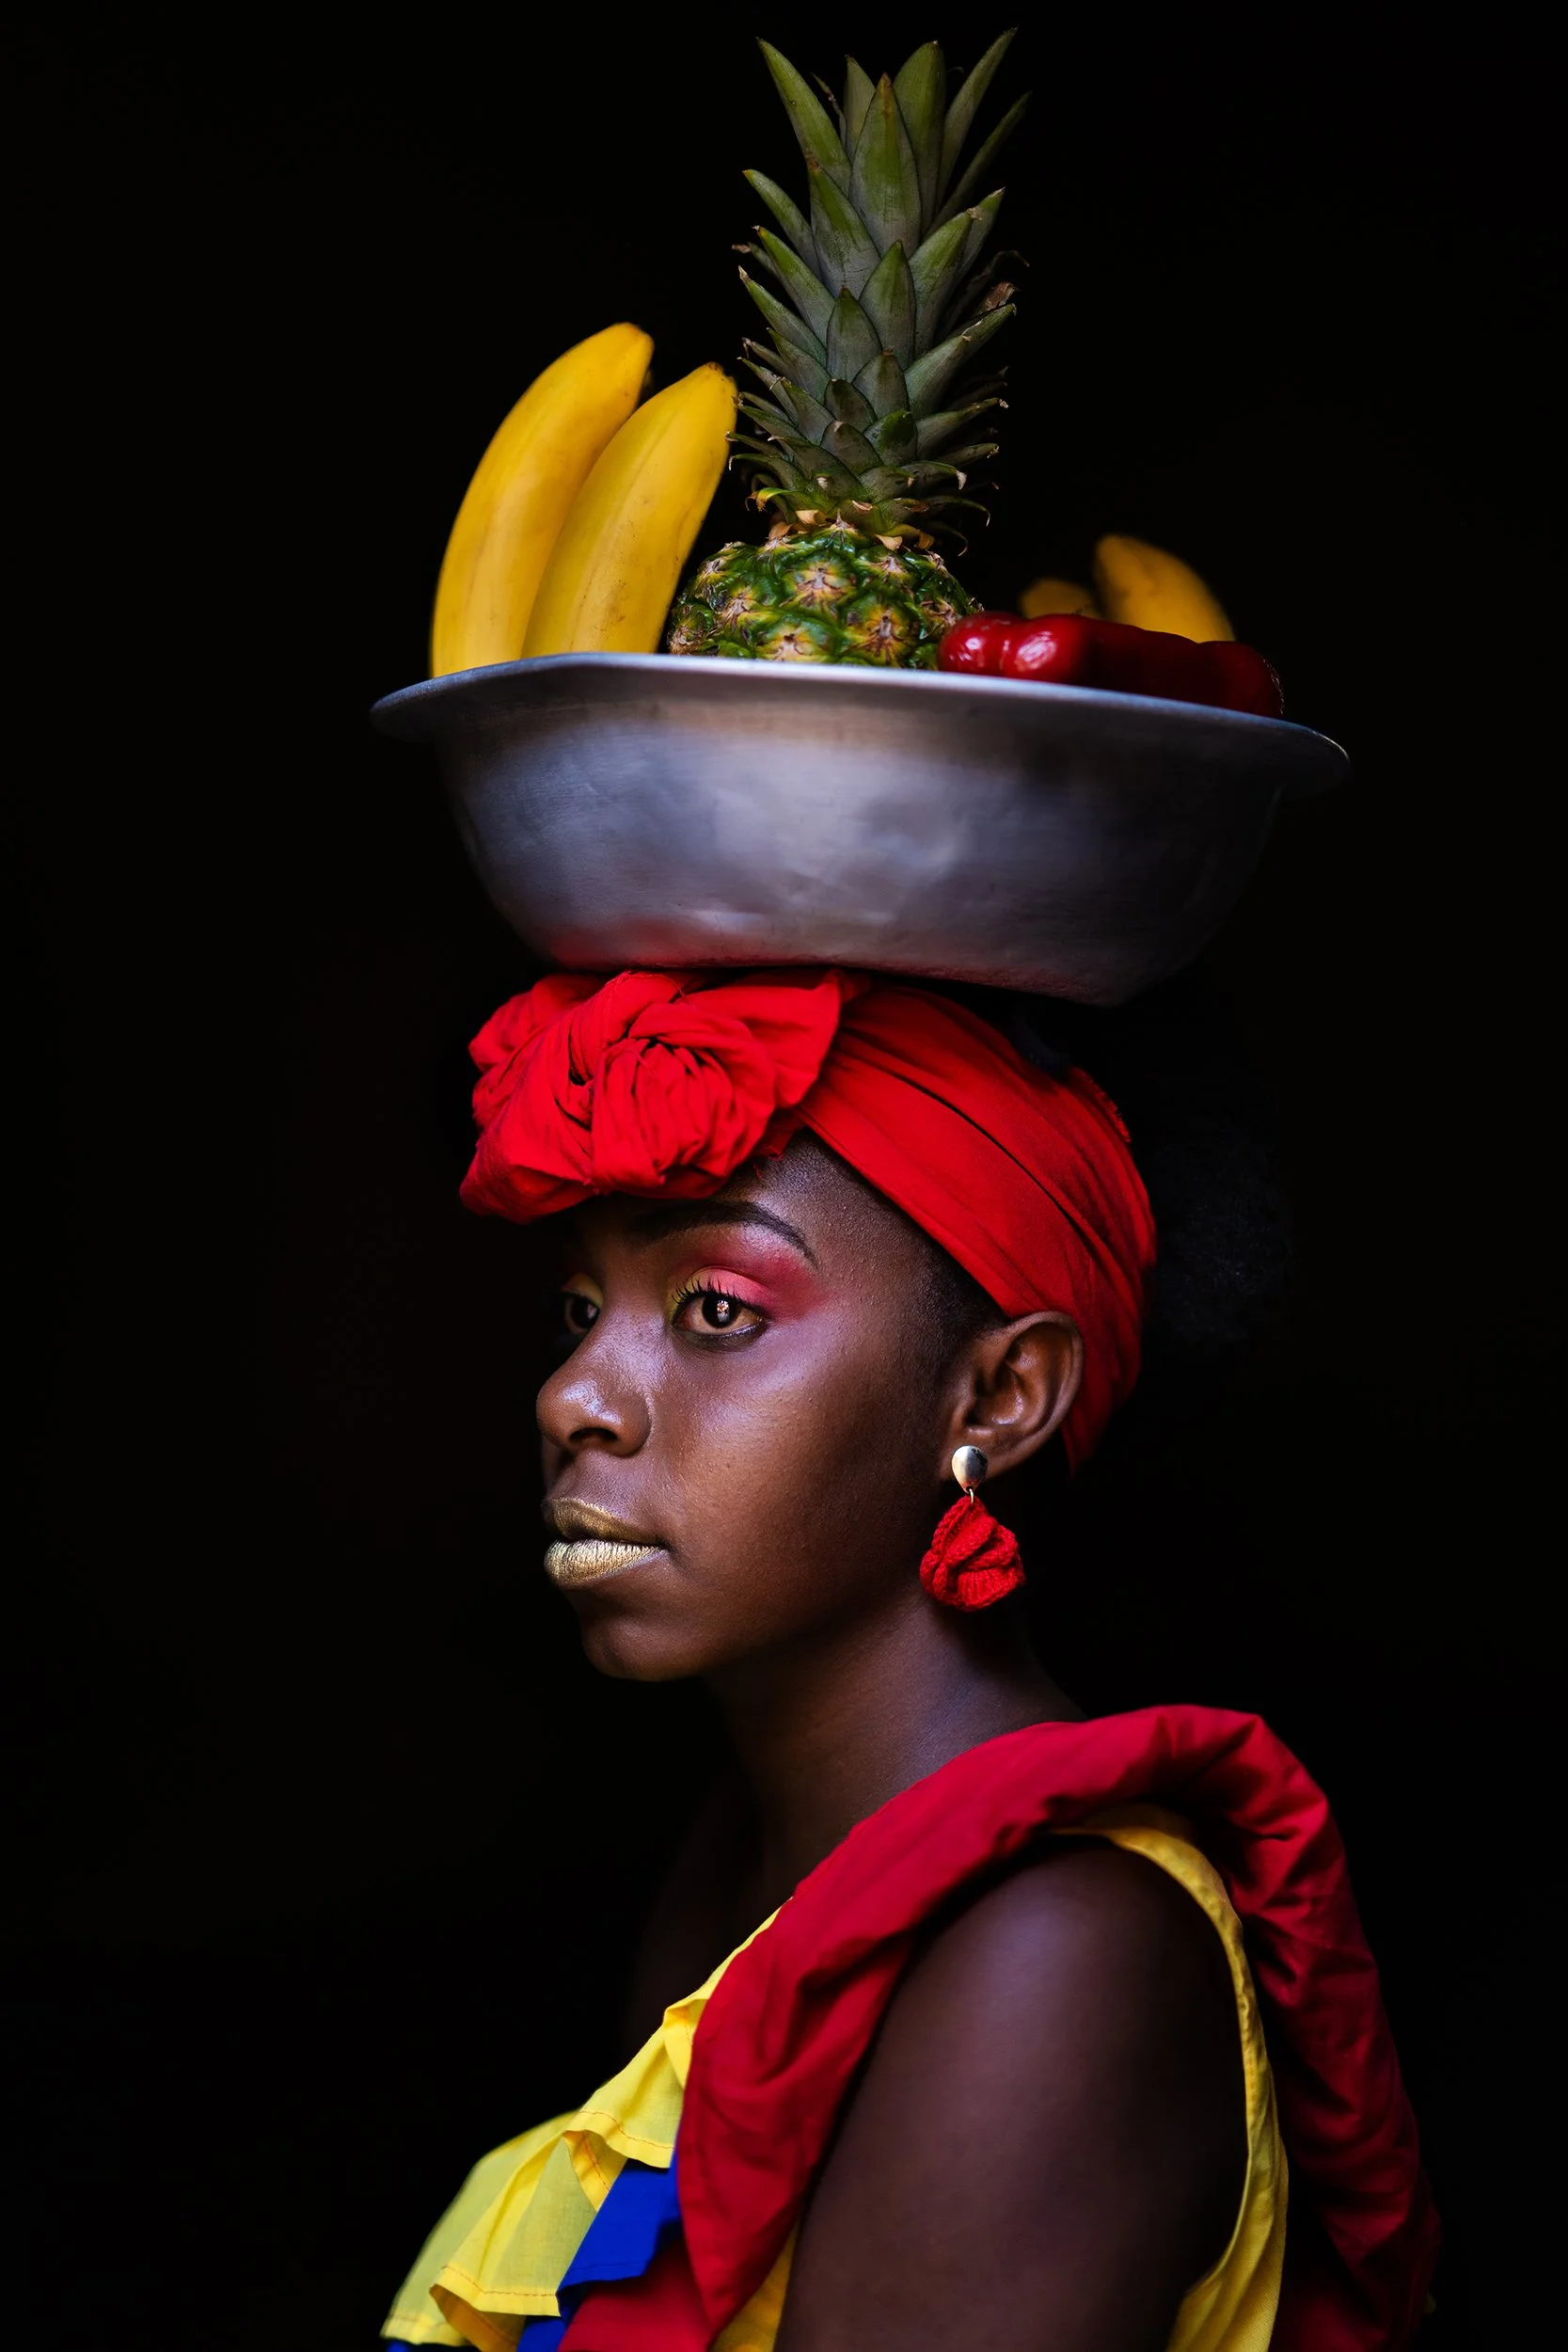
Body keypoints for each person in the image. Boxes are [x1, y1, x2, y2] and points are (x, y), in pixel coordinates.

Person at [383, 967, 1436, 2352]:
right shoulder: (740, 1864)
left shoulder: (1051, 1953)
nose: (571, 1398)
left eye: (714, 1311)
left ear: (997, 1396)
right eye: (580, 1313)